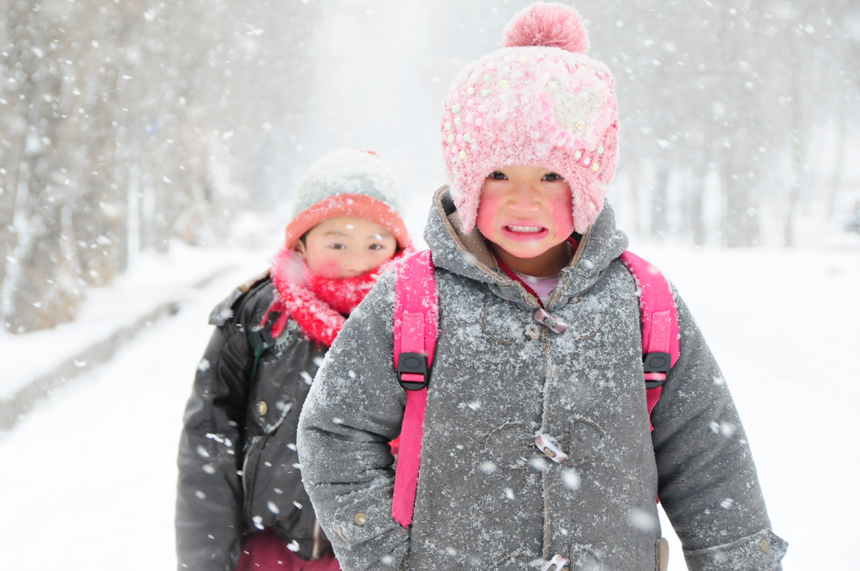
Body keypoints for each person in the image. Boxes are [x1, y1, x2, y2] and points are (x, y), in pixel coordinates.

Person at [296, 4, 787, 571]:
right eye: (499, 174)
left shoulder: (641, 301)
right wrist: (381, 551)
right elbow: (335, 431)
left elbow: (707, 454)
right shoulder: (414, 297)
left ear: (587, 181)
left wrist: (735, 558)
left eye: (551, 175)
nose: (523, 201)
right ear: (469, 180)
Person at [176, 149, 412, 571]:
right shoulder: (260, 316)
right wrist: (207, 560)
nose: (357, 261)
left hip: (382, 556)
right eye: (337, 242)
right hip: (272, 556)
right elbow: (208, 441)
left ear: (398, 246)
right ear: (301, 243)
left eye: (375, 244)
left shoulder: (420, 320)